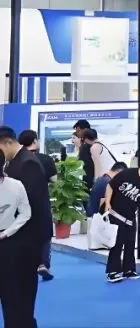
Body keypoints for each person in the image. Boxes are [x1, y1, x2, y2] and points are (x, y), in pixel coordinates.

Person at [0, 124, 49, 327]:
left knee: (22, 294)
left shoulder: (27, 163)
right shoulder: (14, 162)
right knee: (15, 294)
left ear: (7, 142)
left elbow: (32, 207)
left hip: (25, 241)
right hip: (15, 239)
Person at [103, 156, 140, 282]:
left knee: (130, 243)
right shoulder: (128, 173)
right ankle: (113, 271)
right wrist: (107, 203)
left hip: (130, 217)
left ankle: (129, 269)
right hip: (115, 213)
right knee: (117, 243)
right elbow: (110, 186)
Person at [0, 149, 33, 327]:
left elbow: (25, 213)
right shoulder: (16, 185)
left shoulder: (15, 185)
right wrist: (7, 232)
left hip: (8, 243)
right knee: (11, 293)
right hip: (8, 241)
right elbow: (25, 213)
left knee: (10, 293)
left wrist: (6, 232)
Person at [18, 130, 56, 282]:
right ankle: (43, 263)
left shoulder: (16, 160)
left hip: (20, 203)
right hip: (41, 202)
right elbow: (55, 181)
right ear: (35, 141)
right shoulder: (45, 159)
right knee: (45, 233)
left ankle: (26, 264)